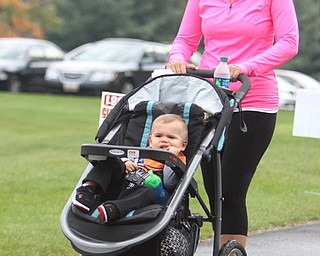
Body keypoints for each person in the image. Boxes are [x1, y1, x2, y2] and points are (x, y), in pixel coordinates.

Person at [165, 0, 299, 249]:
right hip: (210, 102)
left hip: (253, 102)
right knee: (214, 189)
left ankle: (231, 252)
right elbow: (185, 39)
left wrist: (248, 66)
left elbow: (289, 43)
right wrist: (177, 58)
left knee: (231, 189)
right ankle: (225, 249)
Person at [72, 114, 188, 223]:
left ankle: (114, 210)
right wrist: (125, 162)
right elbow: (119, 164)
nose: (164, 140)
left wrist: (171, 158)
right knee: (111, 161)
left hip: (149, 196)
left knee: (147, 191)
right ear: (150, 140)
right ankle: (87, 190)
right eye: (159, 136)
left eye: (171, 137)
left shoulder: (179, 160)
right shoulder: (139, 153)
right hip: (121, 188)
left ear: (183, 145)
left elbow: (169, 183)